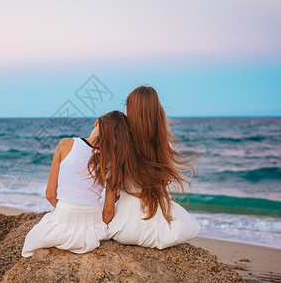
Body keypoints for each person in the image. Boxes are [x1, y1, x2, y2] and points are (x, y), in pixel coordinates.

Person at [89, 86, 200, 249]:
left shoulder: (121, 144)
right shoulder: (163, 145)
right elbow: (160, 191)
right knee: (187, 222)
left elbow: (109, 205)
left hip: (123, 228)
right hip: (154, 225)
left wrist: (102, 228)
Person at [21, 113, 122, 257]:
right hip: (91, 225)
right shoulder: (113, 161)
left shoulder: (65, 144)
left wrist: (68, 212)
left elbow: (50, 194)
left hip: (64, 217)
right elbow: (108, 209)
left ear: (96, 123)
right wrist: (99, 225)